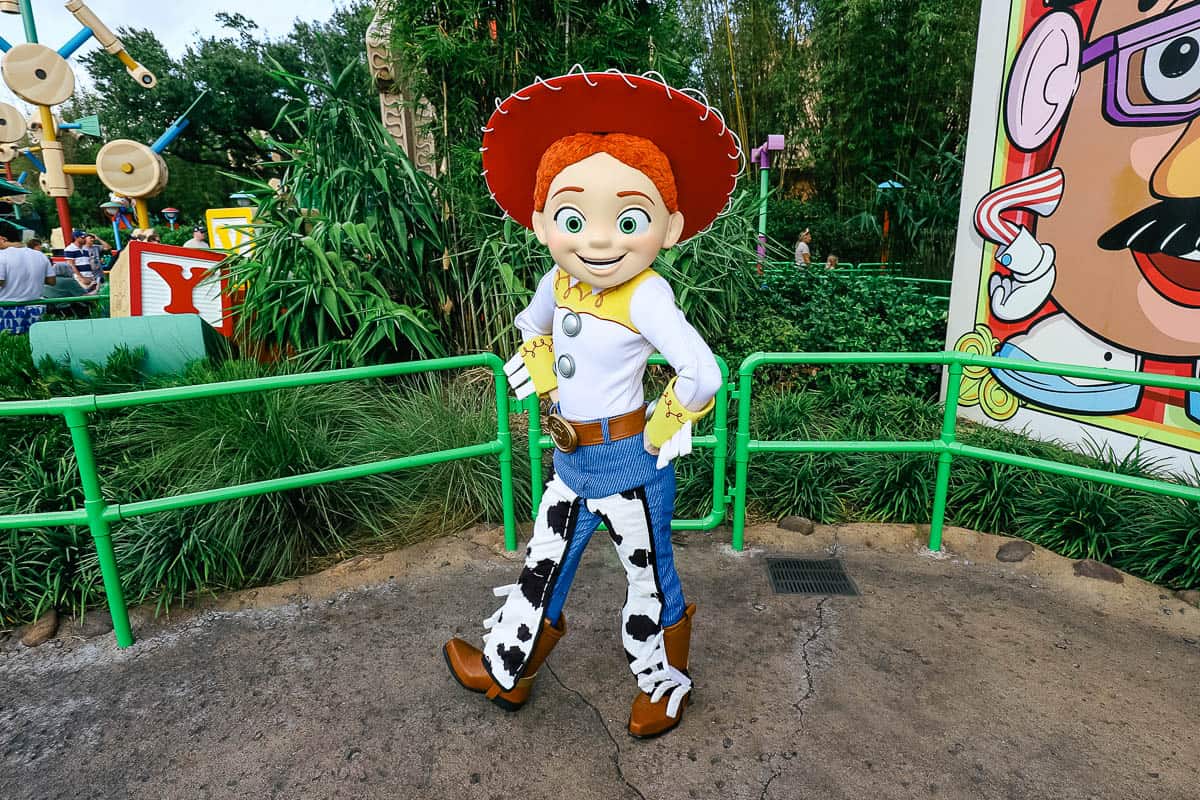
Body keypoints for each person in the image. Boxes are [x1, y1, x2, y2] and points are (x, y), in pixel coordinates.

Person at [442, 69, 736, 739]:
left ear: (670, 226)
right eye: (575, 219)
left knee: (650, 577)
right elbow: (529, 325)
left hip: (631, 464)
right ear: (544, 221)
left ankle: (664, 685)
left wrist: (661, 428)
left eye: (628, 219)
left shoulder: (646, 295)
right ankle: (507, 669)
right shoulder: (558, 277)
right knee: (544, 563)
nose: (599, 240)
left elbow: (702, 372)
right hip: (572, 460)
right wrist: (545, 387)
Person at [0, 237, 56, 334]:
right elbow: (52, 281)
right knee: (35, 345)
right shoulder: (40, 255)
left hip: (7, 309)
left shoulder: (2, 256)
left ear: (3, 239)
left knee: (10, 346)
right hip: (35, 308)